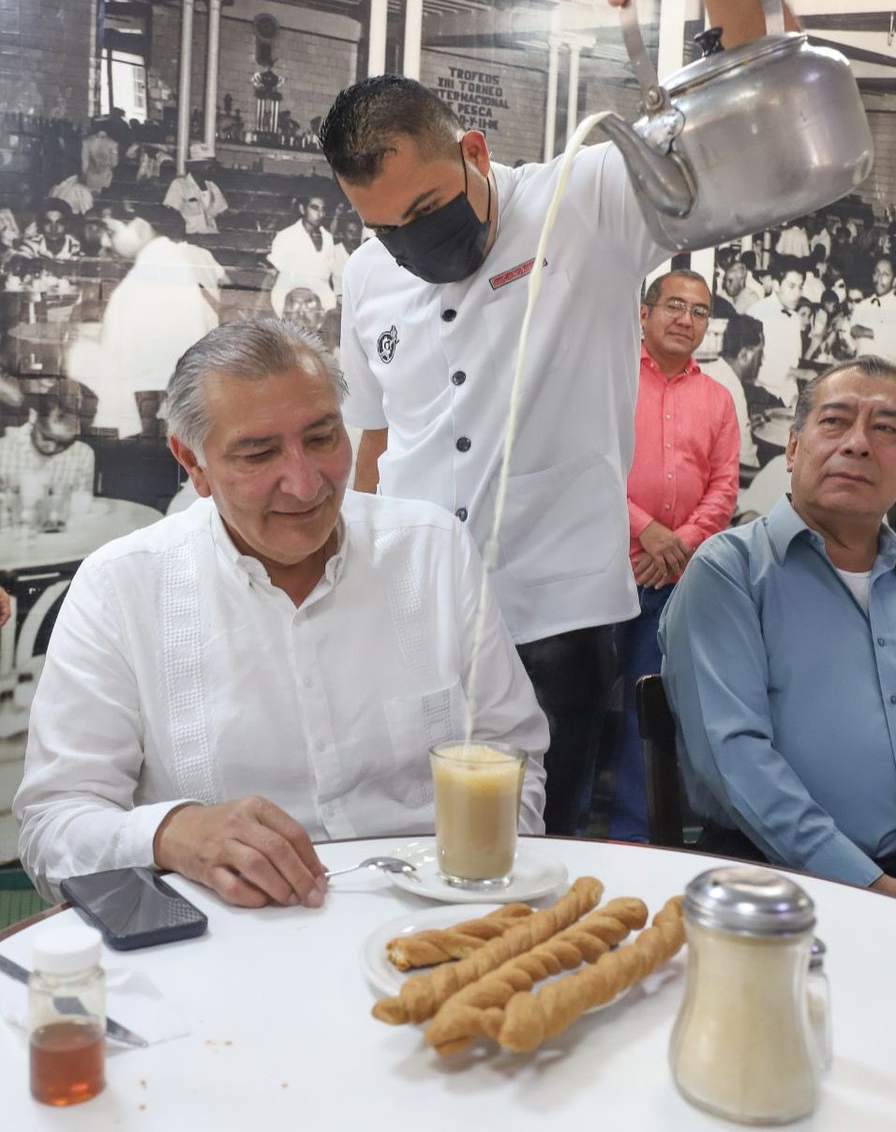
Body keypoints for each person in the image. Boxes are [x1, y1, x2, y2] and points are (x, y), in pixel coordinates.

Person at [318, 0, 793, 835]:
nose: (411, 245)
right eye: (385, 228)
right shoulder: (367, 278)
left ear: (473, 150)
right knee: (405, 840)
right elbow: (374, 449)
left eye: (422, 211)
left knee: (541, 843)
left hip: (556, 618)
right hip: (413, 611)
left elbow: (738, 123)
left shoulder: (585, 199)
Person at [14, 317, 548, 906]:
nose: (303, 483)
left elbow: (512, 753)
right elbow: (53, 827)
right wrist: (173, 833)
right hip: (228, 943)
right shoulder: (122, 587)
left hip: (431, 917)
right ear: (192, 464)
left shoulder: (432, 551)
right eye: (258, 453)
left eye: (322, 438)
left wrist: (475, 891)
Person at [660, 356, 896, 908]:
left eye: (885, 428)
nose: (857, 444)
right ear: (792, 449)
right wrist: (876, 891)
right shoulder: (731, 571)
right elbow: (735, 758)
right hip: (779, 882)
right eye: (834, 421)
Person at [595, 269, 738, 840]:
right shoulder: (611, 380)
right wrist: (646, 529)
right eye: (675, 306)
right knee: (577, 710)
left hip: (673, 584)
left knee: (647, 713)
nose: (686, 319)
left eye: (699, 312)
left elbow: (724, 488)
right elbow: (589, 464)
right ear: (645, 313)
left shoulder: (718, 399)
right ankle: (560, 828)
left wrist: (676, 545)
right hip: (602, 573)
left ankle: (635, 837)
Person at [89, 205, 224, 436]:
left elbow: (160, 351)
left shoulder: (161, 265)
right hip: (154, 391)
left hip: (149, 396)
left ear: (140, 227)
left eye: (111, 232)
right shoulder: (159, 261)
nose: (105, 242)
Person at [0, 381, 95, 500]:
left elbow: (82, 510)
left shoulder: (82, 455)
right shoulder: (3, 451)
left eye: (64, 443)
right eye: (46, 437)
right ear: (33, 416)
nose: (52, 448)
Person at [701, 311, 764, 468]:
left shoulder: (709, 371)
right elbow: (745, 464)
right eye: (760, 354)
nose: (762, 362)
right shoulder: (733, 391)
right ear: (744, 355)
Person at [267, 191, 339, 317]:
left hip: (320, 296)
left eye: (323, 210)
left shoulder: (328, 238)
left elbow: (330, 273)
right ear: (302, 209)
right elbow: (274, 272)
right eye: (314, 208)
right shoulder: (286, 236)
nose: (320, 214)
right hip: (291, 293)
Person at [750, 257, 804, 405]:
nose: (797, 293)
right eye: (791, 286)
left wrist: (794, 399)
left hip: (788, 398)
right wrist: (801, 374)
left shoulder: (794, 318)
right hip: (762, 397)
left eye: (800, 287)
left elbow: (793, 361)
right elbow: (756, 369)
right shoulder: (758, 313)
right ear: (776, 285)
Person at [851, 255, 896, 363]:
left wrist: (868, 332)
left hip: (884, 373)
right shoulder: (862, 305)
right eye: (877, 272)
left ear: (895, 281)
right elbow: (853, 338)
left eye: (886, 274)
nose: (879, 279)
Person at [163, 144, 229, 235]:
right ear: (193, 166)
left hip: (212, 237)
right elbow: (170, 215)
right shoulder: (179, 185)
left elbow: (223, 213)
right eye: (206, 165)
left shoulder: (213, 187)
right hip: (190, 238)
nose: (211, 169)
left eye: (211, 165)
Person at [13, 199, 81, 261]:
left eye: (59, 223)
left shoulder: (76, 246)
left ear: (67, 224)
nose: (53, 228)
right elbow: (18, 262)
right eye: (48, 222)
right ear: (41, 224)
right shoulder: (32, 244)